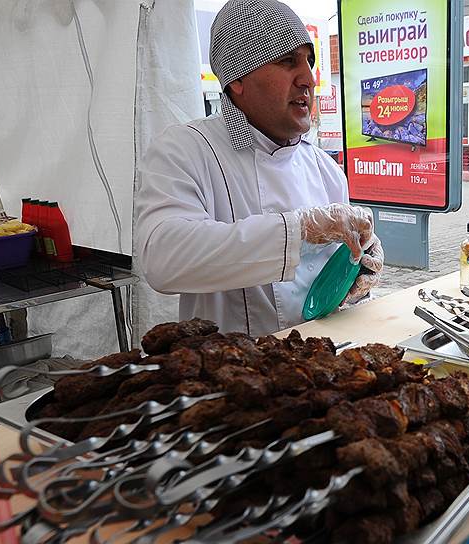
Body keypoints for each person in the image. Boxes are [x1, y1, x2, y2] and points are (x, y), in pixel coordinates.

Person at [135, 0, 384, 336]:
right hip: (230, 375)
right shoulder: (185, 150)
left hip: (321, 368)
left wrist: (358, 265)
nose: (308, 79)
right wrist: (299, 230)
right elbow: (162, 260)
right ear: (237, 78)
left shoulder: (325, 169)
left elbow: (329, 281)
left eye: (309, 62)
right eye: (287, 61)